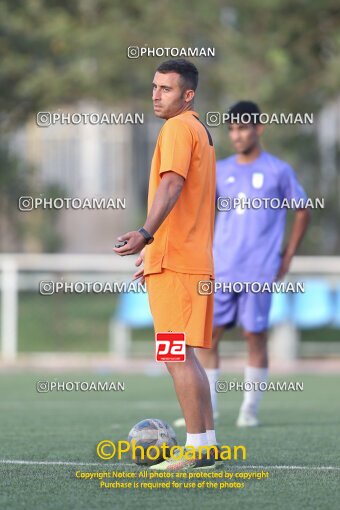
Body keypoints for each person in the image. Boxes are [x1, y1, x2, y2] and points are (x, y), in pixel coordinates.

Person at [174, 100, 311, 429]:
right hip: (221, 268)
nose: (237, 135)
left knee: (255, 335)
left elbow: (303, 209)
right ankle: (210, 408)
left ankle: (249, 409)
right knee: (209, 337)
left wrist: (287, 255)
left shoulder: (278, 170)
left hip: (259, 270)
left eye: (243, 128)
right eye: (232, 129)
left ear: (258, 129)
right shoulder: (219, 169)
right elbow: (200, 211)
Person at [114, 59, 219, 470]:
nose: (157, 94)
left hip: (179, 264)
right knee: (183, 355)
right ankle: (206, 446)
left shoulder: (178, 128)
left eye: (167, 89)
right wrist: (153, 249)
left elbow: (173, 183)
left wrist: (145, 232)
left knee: (175, 355)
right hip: (183, 259)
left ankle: (194, 450)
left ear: (187, 95)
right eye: (155, 87)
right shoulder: (200, 130)